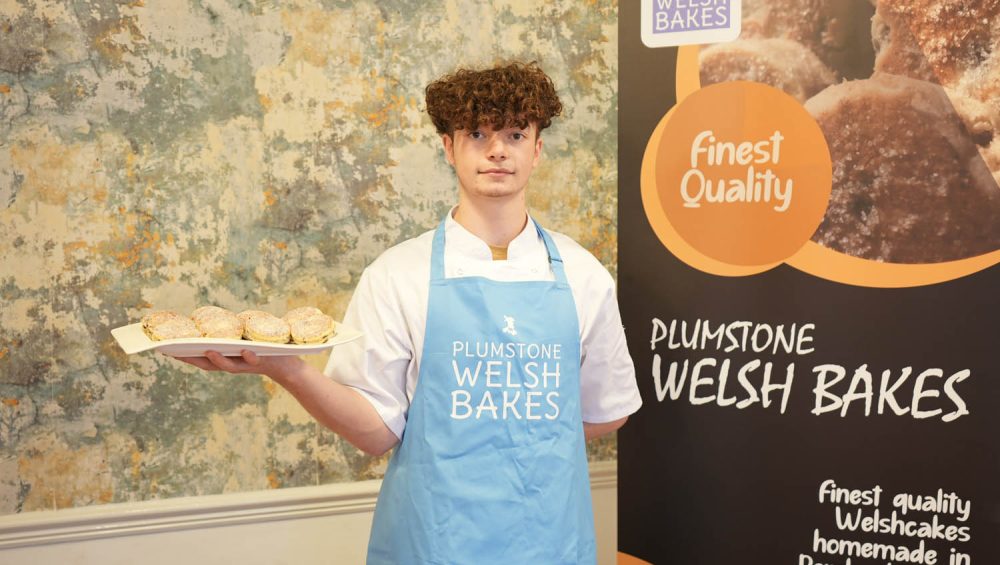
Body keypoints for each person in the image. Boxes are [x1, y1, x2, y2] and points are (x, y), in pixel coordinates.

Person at [178, 61, 641, 564]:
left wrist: (512, 436)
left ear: (537, 149)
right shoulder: (397, 274)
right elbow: (376, 431)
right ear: (448, 147)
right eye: (477, 133)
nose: (497, 150)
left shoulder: (583, 274)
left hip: (548, 542)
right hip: (432, 542)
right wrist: (283, 367)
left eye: (514, 133)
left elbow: (605, 411)